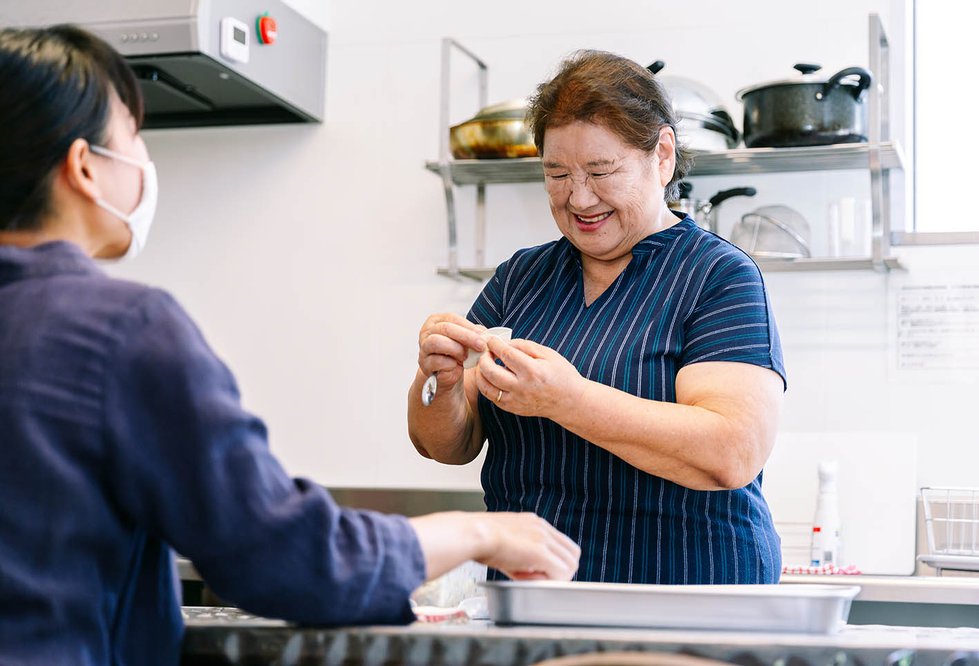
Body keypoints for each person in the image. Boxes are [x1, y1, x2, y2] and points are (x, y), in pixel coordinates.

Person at [0, 25, 579, 665]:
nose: (143, 160)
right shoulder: (119, 329)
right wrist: (475, 531)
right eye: (134, 136)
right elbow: (282, 555)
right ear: (85, 166)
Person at [408, 50, 786, 586]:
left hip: (691, 601)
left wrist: (568, 400)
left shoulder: (718, 277)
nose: (578, 197)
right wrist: (438, 380)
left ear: (661, 156)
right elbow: (445, 445)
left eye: (601, 171)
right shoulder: (522, 277)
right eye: (556, 173)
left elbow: (731, 452)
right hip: (534, 603)